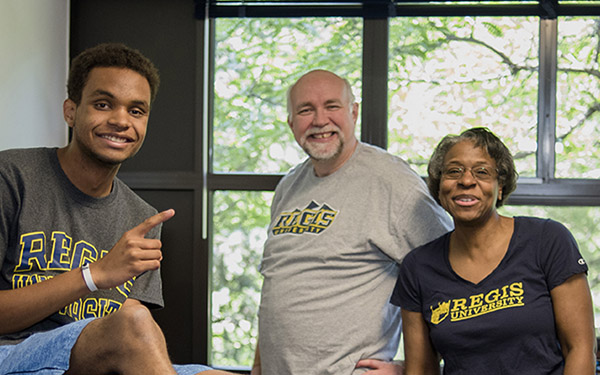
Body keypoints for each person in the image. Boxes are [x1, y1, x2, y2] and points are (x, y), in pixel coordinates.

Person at [0, 43, 232, 375]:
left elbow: (132, 340)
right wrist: (94, 275)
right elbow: (130, 325)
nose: (121, 120)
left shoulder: (142, 217)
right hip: (12, 354)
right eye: (103, 104)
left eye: (136, 111)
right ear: (71, 110)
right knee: (134, 321)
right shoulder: (11, 177)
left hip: (96, 361)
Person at [251, 69, 453, 375]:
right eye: (306, 110)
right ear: (292, 122)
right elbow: (276, 291)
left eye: (332, 106)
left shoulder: (392, 182)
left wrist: (414, 368)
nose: (320, 120)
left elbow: (454, 277)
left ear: (354, 112)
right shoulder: (289, 186)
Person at [391, 127, 596, 374]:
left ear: (500, 186)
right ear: (439, 186)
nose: (466, 181)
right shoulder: (418, 267)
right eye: (454, 171)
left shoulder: (547, 240)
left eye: (482, 172)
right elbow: (421, 370)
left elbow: (580, 348)